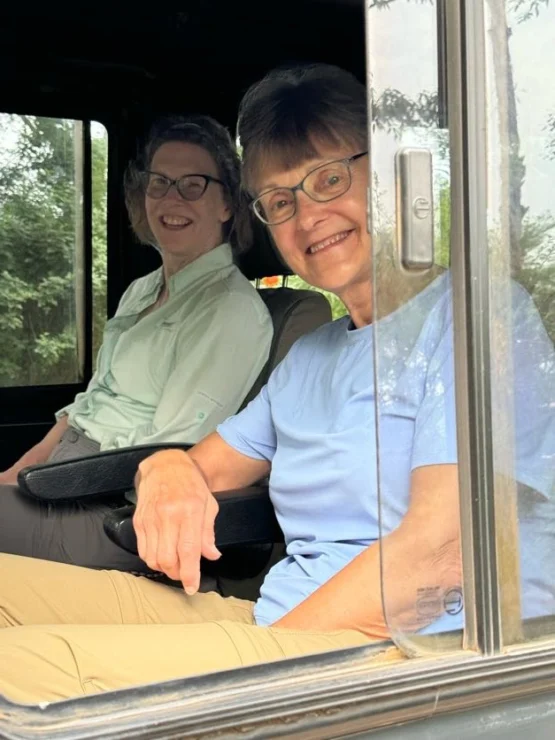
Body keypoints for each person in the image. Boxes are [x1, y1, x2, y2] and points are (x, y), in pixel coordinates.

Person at [0, 64, 553, 705]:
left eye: (329, 179)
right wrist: (166, 473)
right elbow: (199, 463)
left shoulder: (476, 318)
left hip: (406, 653)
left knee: (21, 673)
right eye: (282, 201)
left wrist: (253, 678)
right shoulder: (311, 357)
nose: (308, 215)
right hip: (280, 623)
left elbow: (439, 559)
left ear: (396, 179)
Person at [0, 114, 272, 572]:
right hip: (61, 477)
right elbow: (86, 408)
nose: (171, 198)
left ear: (227, 203)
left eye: (193, 185)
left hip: (116, 512)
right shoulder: (141, 290)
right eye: (159, 183)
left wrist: (61, 480)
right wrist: (12, 477)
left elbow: (173, 451)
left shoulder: (231, 311)